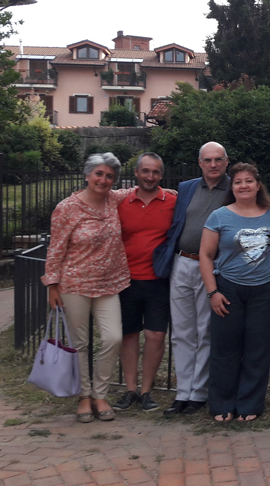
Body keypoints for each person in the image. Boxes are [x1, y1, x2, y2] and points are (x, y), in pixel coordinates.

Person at [42, 153, 128, 423]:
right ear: (87, 175)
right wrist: (52, 285)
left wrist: (173, 190)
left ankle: (100, 394)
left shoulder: (114, 199)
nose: (103, 180)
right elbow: (55, 249)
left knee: (113, 337)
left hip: (108, 284)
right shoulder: (67, 208)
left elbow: (140, 190)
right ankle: (84, 396)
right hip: (74, 283)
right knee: (79, 344)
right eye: (99, 174)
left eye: (109, 176)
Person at [199, 162, 270, 422]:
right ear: (232, 187)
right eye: (238, 182)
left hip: (265, 290)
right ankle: (223, 403)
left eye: (249, 181)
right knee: (225, 348)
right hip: (228, 289)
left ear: (258, 185)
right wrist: (213, 292)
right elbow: (205, 255)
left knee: (258, 349)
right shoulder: (219, 216)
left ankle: (249, 405)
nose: (244, 186)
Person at [154, 141, 230, 416]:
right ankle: (182, 392)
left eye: (218, 160)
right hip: (181, 262)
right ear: (200, 162)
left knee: (205, 330)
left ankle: (199, 393)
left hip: (211, 267)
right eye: (207, 160)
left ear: (226, 161)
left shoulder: (233, 189)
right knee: (182, 331)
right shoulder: (187, 188)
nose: (213, 165)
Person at [114, 153, 176, 413]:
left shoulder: (173, 200)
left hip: (158, 280)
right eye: (146, 171)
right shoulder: (120, 202)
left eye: (155, 172)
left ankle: (147, 390)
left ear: (161, 175)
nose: (150, 177)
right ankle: (130, 389)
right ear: (137, 173)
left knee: (155, 336)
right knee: (128, 335)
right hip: (126, 279)